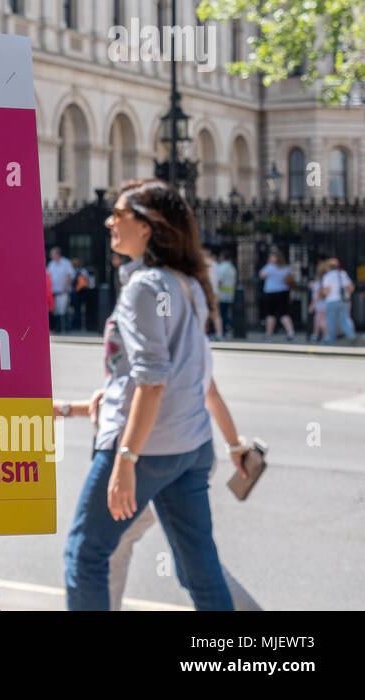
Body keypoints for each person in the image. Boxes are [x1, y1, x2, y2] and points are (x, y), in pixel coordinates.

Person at [63, 178, 233, 611]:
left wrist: (125, 458)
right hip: (191, 446)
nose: (109, 222)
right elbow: (192, 377)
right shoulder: (188, 284)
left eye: (119, 215)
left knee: (85, 554)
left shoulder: (145, 287)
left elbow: (153, 382)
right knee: (199, 566)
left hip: (148, 446)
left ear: (148, 227)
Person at [56, 377, 260, 610]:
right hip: (190, 450)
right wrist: (234, 445)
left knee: (93, 553)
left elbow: (147, 394)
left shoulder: (147, 346)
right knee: (194, 561)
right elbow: (208, 390)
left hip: (148, 460)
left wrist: (123, 462)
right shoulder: (187, 345)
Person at [257, 250, 296, 341]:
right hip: (283, 292)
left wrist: (268, 265)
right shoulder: (286, 268)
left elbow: (261, 275)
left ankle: (269, 334)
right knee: (284, 314)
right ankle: (291, 333)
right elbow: (290, 280)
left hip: (271, 293)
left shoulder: (269, 267)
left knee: (270, 314)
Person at [320, 258, 356, 345]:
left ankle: (331, 340)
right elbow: (351, 288)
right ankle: (351, 336)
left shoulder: (327, 276)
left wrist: (322, 293)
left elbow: (326, 291)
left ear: (328, 267)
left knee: (331, 321)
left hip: (331, 301)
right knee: (344, 319)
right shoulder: (343, 274)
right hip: (343, 301)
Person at [46, 247, 75, 334]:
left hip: (63, 291)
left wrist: (65, 289)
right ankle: (57, 329)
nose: (51, 256)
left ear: (58, 254)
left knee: (63, 311)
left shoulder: (66, 263)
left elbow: (70, 276)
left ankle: (66, 329)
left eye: (53, 254)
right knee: (55, 311)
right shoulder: (51, 264)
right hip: (53, 292)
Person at [214, 250, 237, 337]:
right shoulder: (232, 267)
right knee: (225, 312)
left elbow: (219, 281)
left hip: (221, 294)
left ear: (223, 257)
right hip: (230, 293)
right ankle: (224, 330)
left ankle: (230, 325)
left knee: (222, 314)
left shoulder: (222, 267)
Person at [307, 259, 330, 343]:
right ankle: (315, 335)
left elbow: (317, 296)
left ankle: (326, 336)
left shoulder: (318, 283)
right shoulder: (324, 281)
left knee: (321, 321)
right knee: (317, 320)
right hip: (324, 304)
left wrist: (312, 306)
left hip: (320, 305)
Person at [71, 256, 93, 333]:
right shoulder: (83, 271)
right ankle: (81, 326)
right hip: (82, 292)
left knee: (76, 310)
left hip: (76, 293)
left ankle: (77, 326)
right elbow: (88, 281)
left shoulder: (72, 271)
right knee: (81, 310)